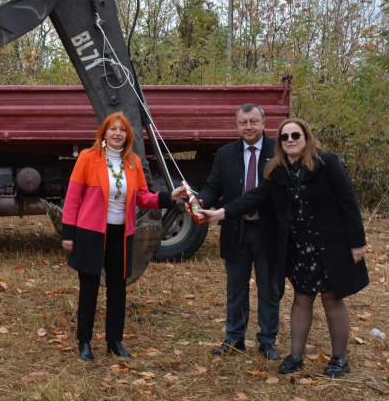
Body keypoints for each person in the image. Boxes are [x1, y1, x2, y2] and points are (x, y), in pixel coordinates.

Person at [200, 118, 368, 377]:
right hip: (300, 248)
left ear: (306, 137)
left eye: (295, 135)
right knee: (301, 298)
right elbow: (255, 196)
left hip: (330, 247)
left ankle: (339, 359)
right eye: (284, 137)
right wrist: (221, 213)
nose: (290, 140)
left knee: (332, 298)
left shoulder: (327, 163)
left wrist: (357, 243)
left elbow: (349, 202)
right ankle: (296, 357)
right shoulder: (277, 170)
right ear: (279, 142)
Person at [61, 113, 187, 361]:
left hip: (121, 234)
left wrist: (169, 197)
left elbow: (143, 198)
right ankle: (84, 342)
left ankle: (114, 341)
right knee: (89, 290)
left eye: (123, 130)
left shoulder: (134, 162)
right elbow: (73, 198)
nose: (118, 133)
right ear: (104, 133)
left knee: (118, 291)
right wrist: (69, 234)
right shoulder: (88, 158)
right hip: (91, 233)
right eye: (113, 129)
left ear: (128, 135)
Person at [197, 104, 281, 360]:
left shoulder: (278, 151)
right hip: (236, 230)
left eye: (254, 121)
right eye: (243, 122)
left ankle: (267, 341)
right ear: (237, 126)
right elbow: (213, 186)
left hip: (268, 231)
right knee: (235, 288)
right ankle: (234, 338)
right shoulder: (226, 153)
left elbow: (270, 192)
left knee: (269, 289)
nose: (249, 127)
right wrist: (202, 201)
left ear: (264, 123)